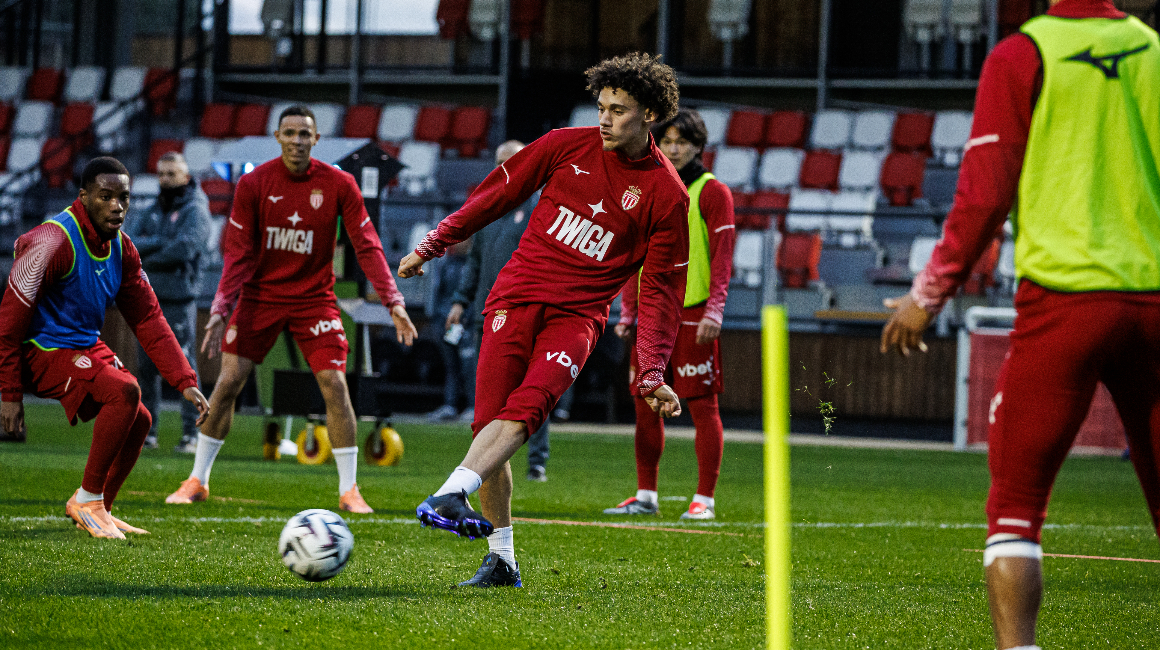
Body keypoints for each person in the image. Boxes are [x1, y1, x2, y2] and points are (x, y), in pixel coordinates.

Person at [880, 2, 1160, 648]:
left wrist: (930, 291)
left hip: (1063, 303)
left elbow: (985, 192)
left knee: (1015, 508)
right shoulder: (1151, 50)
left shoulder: (1021, 54)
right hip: (1152, 303)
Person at [399, 52, 689, 588]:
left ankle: (451, 491)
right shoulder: (562, 145)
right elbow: (495, 195)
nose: (603, 118)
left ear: (650, 114)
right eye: (600, 106)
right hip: (513, 300)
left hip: (577, 317)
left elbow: (663, 295)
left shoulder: (666, 195)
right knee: (489, 428)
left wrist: (650, 371)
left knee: (528, 408)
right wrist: (436, 242)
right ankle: (502, 559)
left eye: (618, 109)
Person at [164, 105, 418, 514]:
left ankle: (349, 491)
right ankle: (197, 480)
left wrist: (394, 301)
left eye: (305, 134)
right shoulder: (254, 184)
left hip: (314, 300)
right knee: (228, 383)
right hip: (260, 298)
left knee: (334, 385)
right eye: (290, 133)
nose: (298, 140)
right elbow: (237, 254)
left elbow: (366, 245)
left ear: (316, 140)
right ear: (278, 137)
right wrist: (219, 307)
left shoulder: (339, 183)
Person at [0, 157, 210, 539]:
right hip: (39, 349)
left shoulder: (123, 248)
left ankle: (101, 507)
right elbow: (9, 323)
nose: (117, 206)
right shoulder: (50, 241)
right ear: (84, 197)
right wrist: (10, 394)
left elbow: (147, 318)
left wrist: (184, 379)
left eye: (124, 198)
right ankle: (88, 499)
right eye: (106, 197)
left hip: (80, 343)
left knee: (141, 419)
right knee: (125, 391)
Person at [606, 108, 735, 520]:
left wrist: (716, 308)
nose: (674, 148)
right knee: (645, 405)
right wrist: (629, 310)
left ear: (699, 146)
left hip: (694, 315)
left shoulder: (713, 192)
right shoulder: (649, 187)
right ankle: (646, 496)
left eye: (683, 141)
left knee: (702, 408)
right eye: (668, 141)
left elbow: (722, 258)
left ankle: (705, 500)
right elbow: (632, 253)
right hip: (650, 317)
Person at [446, 140, 552, 482]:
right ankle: (483, 465)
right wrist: (461, 301)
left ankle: (537, 460)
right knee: (488, 396)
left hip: (528, 313)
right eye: (499, 162)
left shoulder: (543, 208)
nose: (505, 167)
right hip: (486, 311)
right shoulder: (489, 207)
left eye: (513, 161)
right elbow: (473, 262)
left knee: (533, 391)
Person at [123, 151, 211, 454]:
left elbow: (186, 248)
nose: (165, 179)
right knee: (146, 367)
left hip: (178, 299)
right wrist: (161, 244)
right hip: (148, 300)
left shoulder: (196, 210)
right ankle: (148, 432)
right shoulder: (152, 209)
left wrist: (148, 257)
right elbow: (129, 242)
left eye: (172, 174)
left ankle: (192, 434)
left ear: (186, 177)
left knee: (183, 366)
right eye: (161, 174)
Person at [426, 240, 470, 423]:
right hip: (447, 324)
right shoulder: (446, 263)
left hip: (465, 324)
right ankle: (450, 406)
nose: (459, 244)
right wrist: (435, 318)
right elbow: (437, 291)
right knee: (452, 366)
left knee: (469, 366)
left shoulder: (472, 265)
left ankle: (473, 406)